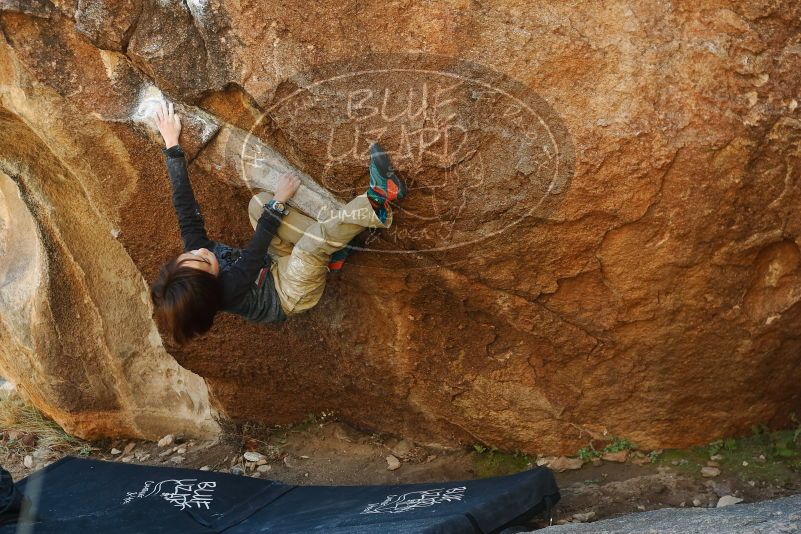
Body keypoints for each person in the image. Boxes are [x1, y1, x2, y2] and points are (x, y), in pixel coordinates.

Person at [149, 101, 406, 344]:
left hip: (271, 264)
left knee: (258, 204)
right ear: (210, 286)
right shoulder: (228, 290)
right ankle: (378, 200)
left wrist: (172, 146)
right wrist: (280, 200)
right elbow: (255, 249)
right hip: (290, 291)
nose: (201, 251)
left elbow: (184, 209)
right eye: (205, 261)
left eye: (192, 253)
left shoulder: (197, 258)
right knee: (307, 245)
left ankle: (336, 251)